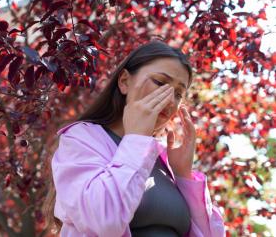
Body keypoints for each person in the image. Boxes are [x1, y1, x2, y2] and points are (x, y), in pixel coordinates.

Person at [51, 40, 225, 237]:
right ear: (125, 81)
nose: (169, 99)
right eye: (160, 82)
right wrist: (135, 139)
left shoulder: (162, 160)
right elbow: (103, 221)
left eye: (178, 94)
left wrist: (184, 177)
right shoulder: (81, 138)